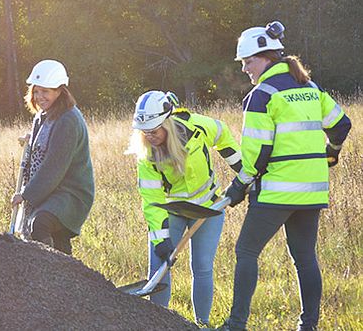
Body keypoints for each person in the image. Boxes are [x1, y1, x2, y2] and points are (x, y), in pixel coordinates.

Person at [218, 22, 351, 331]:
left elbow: (256, 154)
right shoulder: (310, 89)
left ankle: (235, 325)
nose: (244, 69)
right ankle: (309, 326)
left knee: (246, 251)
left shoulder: (262, 95)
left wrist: (239, 186)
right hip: (312, 192)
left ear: (265, 58)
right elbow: (341, 126)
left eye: (247, 62)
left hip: (277, 192)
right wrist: (332, 152)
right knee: (305, 257)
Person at [128, 90, 233, 326]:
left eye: (154, 131)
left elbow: (223, 134)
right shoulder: (147, 155)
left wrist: (241, 170)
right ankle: (159, 323)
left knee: (202, 266)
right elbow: (151, 200)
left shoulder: (197, 127)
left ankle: (201, 324)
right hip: (173, 210)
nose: (150, 136)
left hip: (208, 208)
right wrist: (161, 239)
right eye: (144, 132)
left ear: (167, 123)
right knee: (159, 266)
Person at [10, 60, 95, 255]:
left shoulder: (68, 120)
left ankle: (48, 276)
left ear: (59, 91)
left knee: (41, 223)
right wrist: (31, 141)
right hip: (53, 190)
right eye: (36, 91)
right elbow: (44, 144)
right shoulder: (43, 116)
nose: (39, 97)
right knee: (58, 240)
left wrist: (26, 194)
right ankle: (69, 280)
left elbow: (54, 167)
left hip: (71, 192)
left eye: (45, 91)